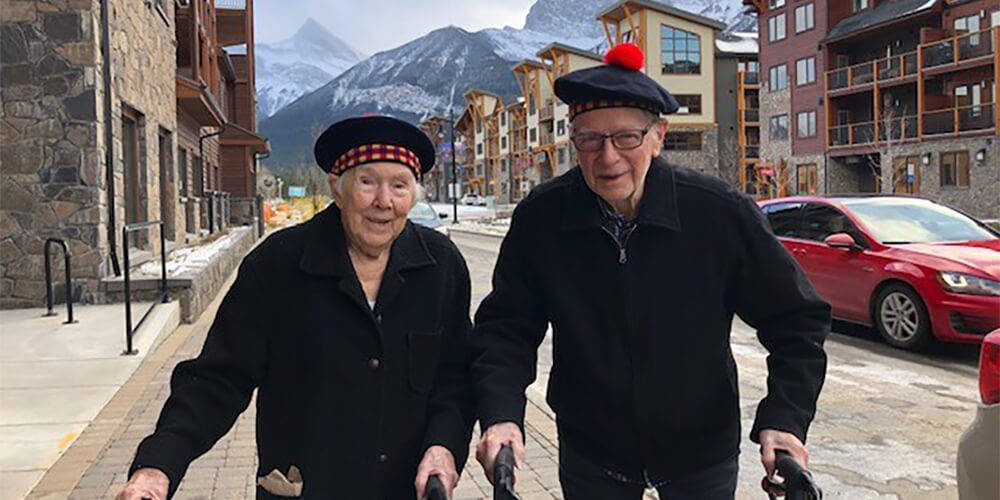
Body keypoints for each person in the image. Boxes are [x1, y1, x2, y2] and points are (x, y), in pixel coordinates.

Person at [472, 43, 831, 499]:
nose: (608, 157)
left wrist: (785, 416)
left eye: (626, 137)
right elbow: (506, 329)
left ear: (658, 136)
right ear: (572, 140)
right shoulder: (542, 220)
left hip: (700, 453)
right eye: (590, 138)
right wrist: (502, 413)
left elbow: (796, 319)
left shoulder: (719, 213)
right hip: (591, 453)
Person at [117, 116, 475, 499]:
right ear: (337, 190)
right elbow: (218, 380)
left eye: (399, 186)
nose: (383, 202)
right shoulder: (277, 265)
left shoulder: (441, 267)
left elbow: (455, 378)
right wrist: (159, 464)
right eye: (367, 182)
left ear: (412, 196)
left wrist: (444, 446)